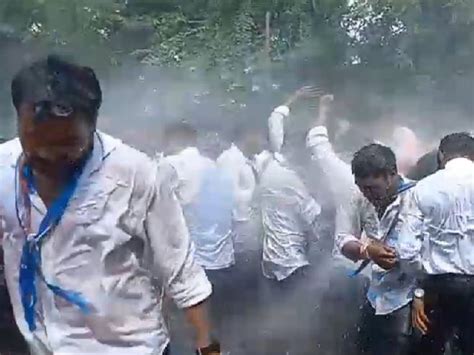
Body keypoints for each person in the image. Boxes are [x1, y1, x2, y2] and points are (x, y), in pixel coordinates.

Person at [0, 55, 220, 355]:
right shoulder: (3, 168)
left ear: (92, 126)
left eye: (66, 148)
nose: (50, 159)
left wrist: (208, 348)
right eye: (36, 149)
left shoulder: (136, 173)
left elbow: (182, 271)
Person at [335, 143, 417, 355]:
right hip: (375, 294)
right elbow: (342, 239)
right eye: (362, 187)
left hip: (409, 297)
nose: (367, 194)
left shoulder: (418, 198)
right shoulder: (357, 196)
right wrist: (367, 251)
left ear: (391, 176)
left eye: (372, 188)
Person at [397, 132, 474, 355]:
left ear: (441, 156)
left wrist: (420, 290)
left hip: (439, 287)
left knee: (430, 348)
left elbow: (407, 251)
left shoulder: (422, 189)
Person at [162, 124, 234, 350]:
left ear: (174, 139)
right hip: (220, 257)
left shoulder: (171, 165)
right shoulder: (212, 165)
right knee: (211, 326)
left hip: (187, 262)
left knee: (183, 329)